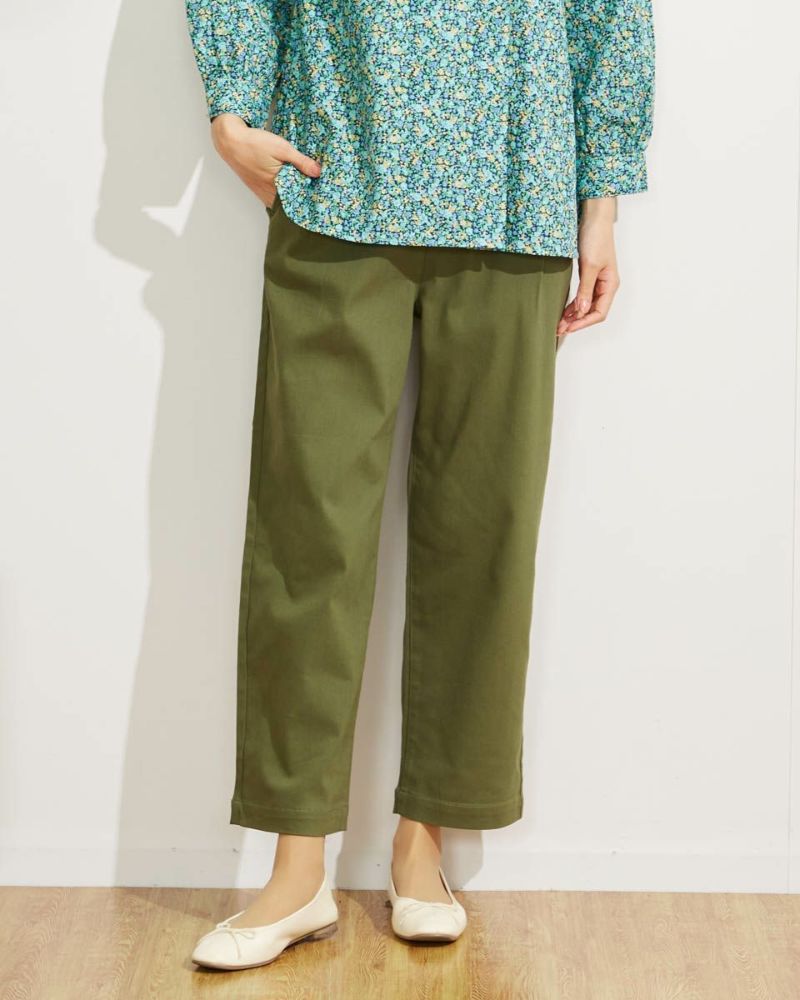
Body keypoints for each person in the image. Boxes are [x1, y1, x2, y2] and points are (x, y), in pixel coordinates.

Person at [184, 0, 655, 971]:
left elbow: (610, 11)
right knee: (306, 530)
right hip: (336, 174)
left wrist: (600, 200)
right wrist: (231, 108)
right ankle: (296, 868)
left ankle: (423, 843)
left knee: (482, 530)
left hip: (516, 186)